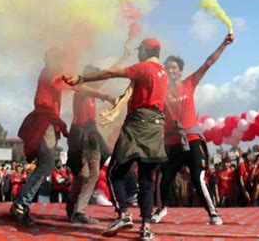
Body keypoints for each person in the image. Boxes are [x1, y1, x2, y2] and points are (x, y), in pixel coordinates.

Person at [63, 37, 168, 241]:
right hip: (156, 127)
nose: (139, 54)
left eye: (140, 51)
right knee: (146, 179)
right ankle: (146, 227)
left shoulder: (142, 68)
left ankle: (123, 214)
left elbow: (110, 73)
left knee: (114, 173)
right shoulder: (162, 73)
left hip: (137, 125)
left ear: (146, 51)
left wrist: (82, 78)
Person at [10, 48, 113, 227]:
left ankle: (22, 205)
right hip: (46, 121)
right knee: (48, 164)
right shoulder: (51, 73)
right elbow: (75, 86)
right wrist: (103, 95)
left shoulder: (53, 73)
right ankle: (21, 205)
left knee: (47, 164)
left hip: (50, 121)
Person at [152, 33, 233, 225]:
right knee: (164, 178)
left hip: (192, 139)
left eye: (174, 68)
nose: (171, 71)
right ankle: (161, 209)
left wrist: (224, 44)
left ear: (180, 71)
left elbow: (208, 63)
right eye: (168, 68)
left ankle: (213, 213)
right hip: (171, 143)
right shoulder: (160, 90)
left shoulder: (189, 83)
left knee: (198, 178)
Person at [67, 47, 130, 223]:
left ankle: (79, 211)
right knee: (83, 175)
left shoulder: (92, 88)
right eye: (92, 77)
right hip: (79, 134)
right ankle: (72, 204)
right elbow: (88, 89)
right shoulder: (80, 88)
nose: (95, 81)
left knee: (93, 173)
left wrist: (122, 58)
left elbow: (108, 74)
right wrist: (107, 96)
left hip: (91, 134)